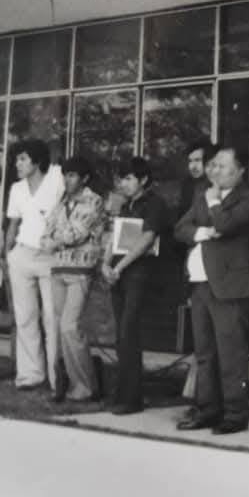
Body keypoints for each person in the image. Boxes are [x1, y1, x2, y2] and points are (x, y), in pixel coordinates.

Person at [174, 145, 249, 434]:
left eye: (223, 166)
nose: (215, 171)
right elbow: (180, 228)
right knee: (205, 352)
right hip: (201, 283)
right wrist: (203, 232)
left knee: (231, 353)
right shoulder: (203, 195)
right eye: (213, 166)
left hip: (231, 287)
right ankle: (207, 409)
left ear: (240, 170)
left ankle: (236, 414)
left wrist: (214, 207)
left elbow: (226, 225)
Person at [101, 157, 170, 415]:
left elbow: (147, 239)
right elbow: (114, 237)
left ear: (143, 180)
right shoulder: (126, 205)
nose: (125, 183)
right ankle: (121, 394)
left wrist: (119, 267)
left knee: (130, 331)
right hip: (118, 274)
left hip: (139, 273)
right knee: (121, 334)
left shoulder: (154, 204)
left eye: (130, 178)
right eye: (122, 179)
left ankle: (132, 398)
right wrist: (106, 264)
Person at [1, 139, 65, 393]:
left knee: (52, 317)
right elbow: (12, 225)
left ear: (37, 161)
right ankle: (30, 375)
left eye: (23, 158)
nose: (17, 163)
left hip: (51, 256)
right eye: (17, 159)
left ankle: (55, 376)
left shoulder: (57, 178)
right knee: (25, 317)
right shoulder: (17, 189)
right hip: (22, 255)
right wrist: (7, 255)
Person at [40, 156, 106, 403]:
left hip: (80, 270)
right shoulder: (61, 202)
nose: (67, 180)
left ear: (84, 178)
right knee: (59, 329)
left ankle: (86, 386)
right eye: (65, 175)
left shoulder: (94, 200)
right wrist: (56, 238)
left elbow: (76, 234)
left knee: (70, 326)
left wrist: (56, 238)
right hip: (58, 269)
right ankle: (66, 383)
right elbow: (44, 236)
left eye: (72, 175)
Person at [177, 137, 217, 400]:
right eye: (190, 161)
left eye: (198, 160)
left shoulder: (211, 190)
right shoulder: (190, 189)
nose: (193, 166)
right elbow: (181, 227)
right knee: (200, 332)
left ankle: (203, 392)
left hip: (214, 267)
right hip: (194, 263)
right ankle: (198, 391)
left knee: (208, 335)